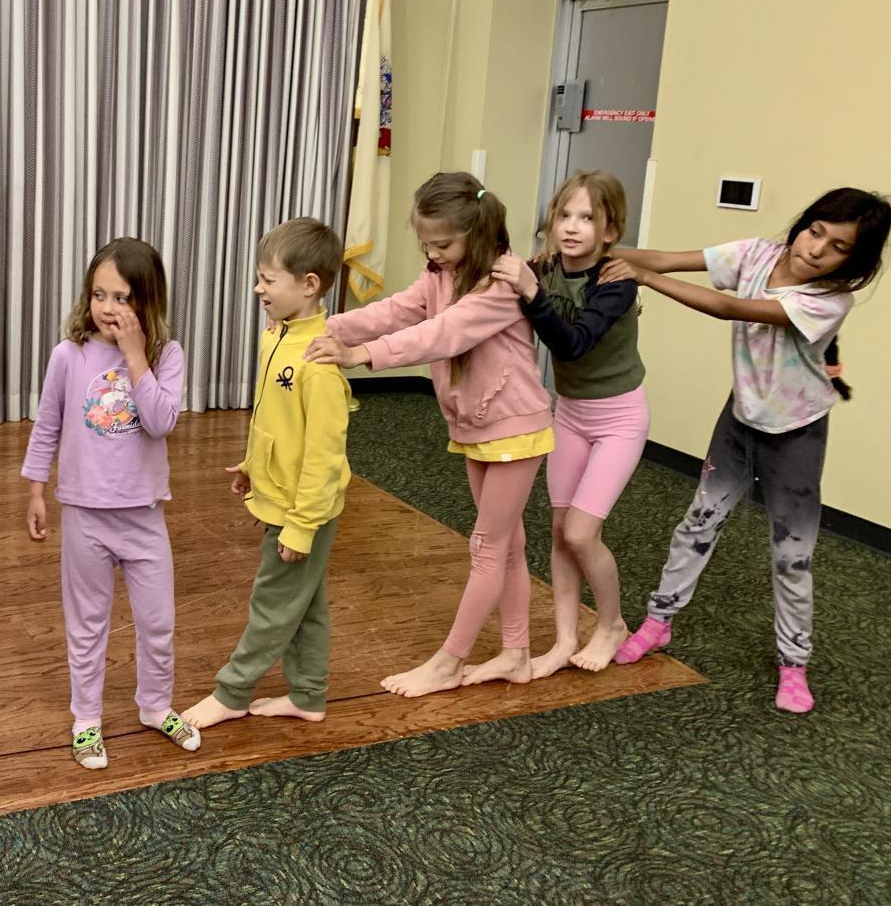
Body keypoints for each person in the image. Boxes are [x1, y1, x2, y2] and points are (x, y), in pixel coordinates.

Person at [607, 187, 891, 713]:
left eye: (838, 246)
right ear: (803, 223)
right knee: (699, 522)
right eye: (815, 231)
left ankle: (793, 663)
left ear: (854, 261)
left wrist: (645, 279)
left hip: (796, 435)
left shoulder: (829, 300)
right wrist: (595, 251)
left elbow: (728, 307)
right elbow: (668, 257)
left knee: (792, 555)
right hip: (739, 419)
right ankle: (658, 621)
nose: (815, 249)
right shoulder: (758, 254)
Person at [308, 173, 553, 697]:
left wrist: (362, 355)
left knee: (487, 547)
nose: (433, 253)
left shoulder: (501, 285)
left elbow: (441, 334)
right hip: (476, 425)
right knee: (507, 544)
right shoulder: (440, 275)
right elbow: (395, 310)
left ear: (477, 231)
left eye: (442, 244)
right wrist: (325, 329)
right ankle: (516, 653)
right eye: (426, 244)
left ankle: (449, 661)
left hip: (516, 427)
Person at [23, 238, 199, 767]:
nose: (107, 308)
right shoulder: (68, 354)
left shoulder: (167, 356)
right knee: (87, 623)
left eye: (121, 297)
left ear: (146, 302)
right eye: (99, 294)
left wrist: (134, 357)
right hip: (83, 515)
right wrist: (36, 488)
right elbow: (47, 424)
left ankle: (154, 706)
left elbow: (161, 421)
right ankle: (87, 720)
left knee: (158, 622)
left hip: (144, 517)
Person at [182, 218, 351, 731]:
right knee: (306, 604)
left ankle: (233, 692)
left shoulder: (319, 363)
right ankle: (308, 695)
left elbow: (323, 457)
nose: (257, 288)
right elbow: (273, 419)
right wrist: (254, 468)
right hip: (278, 496)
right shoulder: (277, 336)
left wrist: (301, 526)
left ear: (308, 285)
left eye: (268, 279)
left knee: (274, 603)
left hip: (303, 512)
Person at [492, 171, 647, 676]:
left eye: (587, 218)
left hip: (619, 418)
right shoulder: (545, 267)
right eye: (564, 215)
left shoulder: (615, 281)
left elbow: (573, 343)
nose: (572, 227)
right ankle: (563, 641)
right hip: (572, 414)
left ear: (610, 230)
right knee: (560, 531)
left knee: (582, 533)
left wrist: (530, 291)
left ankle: (611, 624)